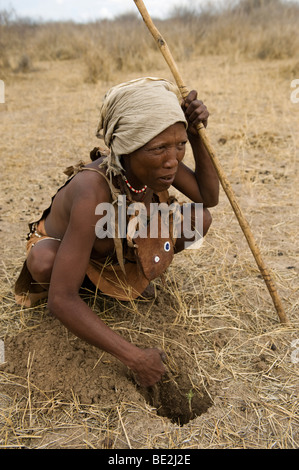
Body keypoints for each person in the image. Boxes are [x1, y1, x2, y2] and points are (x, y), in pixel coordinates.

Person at [14, 77, 219, 387]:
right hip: (75, 252)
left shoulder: (156, 166)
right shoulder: (91, 189)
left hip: (115, 246)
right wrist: (135, 358)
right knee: (44, 262)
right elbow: (60, 299)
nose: (172, 160)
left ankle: (131, 274)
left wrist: (197, 135)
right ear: (126, 148)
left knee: (197, 220)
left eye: (180, 145)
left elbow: (209, 196)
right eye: (159, 148)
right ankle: (87, 286)